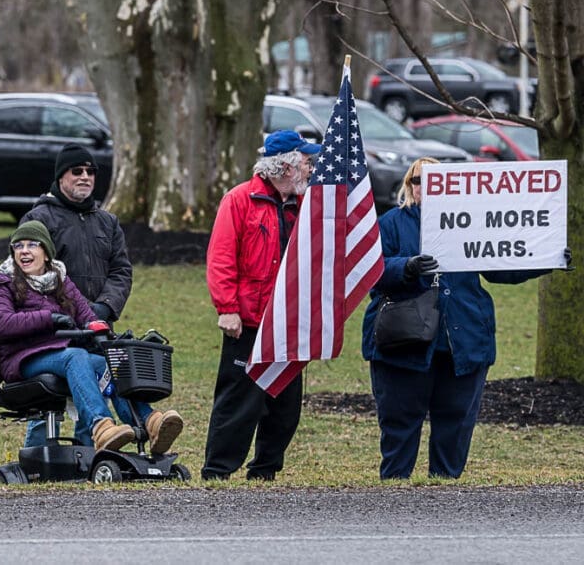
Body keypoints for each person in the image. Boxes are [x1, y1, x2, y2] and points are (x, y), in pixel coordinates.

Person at [361, 158, 570, 480]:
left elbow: (502, 266)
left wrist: (546, 258)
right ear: (408, 185)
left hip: (463, 338)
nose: (426, 187)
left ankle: (446, 485)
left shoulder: (474, 223)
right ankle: (394, 485)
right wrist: (406, 267)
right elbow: (369, 271)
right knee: (400, 420)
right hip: (403, 339)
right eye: (419, 180)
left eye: (436, 180)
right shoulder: (391, 223)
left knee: (456, 419)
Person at [0, 220, 183, 453]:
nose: (24, 251)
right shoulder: (2, 285)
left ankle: (150, 422)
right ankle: (101, 427)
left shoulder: (60, 280)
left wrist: (104, 334)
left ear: (46, 253)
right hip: (23, 359)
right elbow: (0, 324)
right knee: (76, 356)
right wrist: (49, 318)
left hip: (60, 354)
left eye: (32, 245)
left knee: (110, 362)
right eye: (18, 246)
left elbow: (87, 315)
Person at [203, 130, 321, 481]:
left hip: (289, 322)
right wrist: (227, 307)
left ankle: (266, 470)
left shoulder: (305, 205)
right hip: (250, 320)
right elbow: (221, 257)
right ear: (285, 166)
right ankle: (217, 472)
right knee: (239, 400)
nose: (310, 169)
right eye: (305, 162)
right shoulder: (240, 200)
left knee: (285, 404)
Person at [19, 143, 133, 446]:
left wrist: (104, 308)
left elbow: (121, 271)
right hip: (54, 328)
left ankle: (89, 455)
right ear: (60, 177)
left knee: (99, 384)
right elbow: (29, 273)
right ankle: (37, 456)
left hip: (97, 325)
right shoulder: (39, 218)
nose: (85, 177)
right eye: (77, 171)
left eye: (90, 171)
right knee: (48, 408)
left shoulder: (107, 222)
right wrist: (69, 312)